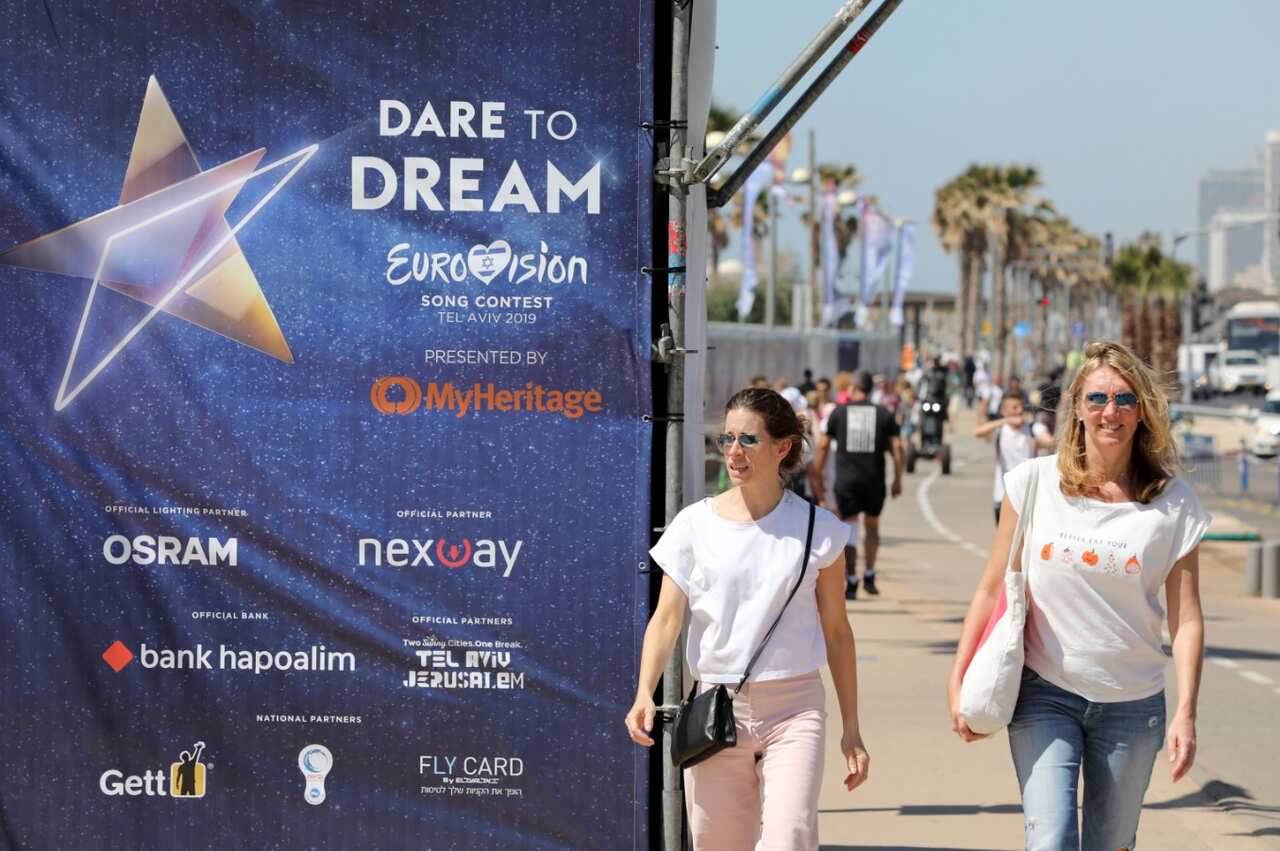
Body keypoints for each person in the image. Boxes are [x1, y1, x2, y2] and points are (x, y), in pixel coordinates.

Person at [948, 341, 1211, 851]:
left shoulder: (1174, 504)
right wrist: (958, 676)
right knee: (1051, 840)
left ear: (1142, 412)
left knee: (1110, 844)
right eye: (1097, 399)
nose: (1109, 412)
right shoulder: (1034, 483)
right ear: (1077, 408)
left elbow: (1187, 619)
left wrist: (1187, 712)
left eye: (1124, 400)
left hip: (1133, 703)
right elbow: (990, 586)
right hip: (1044, 691)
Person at [625, 388, 871, 850]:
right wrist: (644, 690)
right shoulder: (693, 526)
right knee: (719, 843)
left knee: (790, 837)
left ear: (782, 447)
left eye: (749, 440)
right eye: (728, 439)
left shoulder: (820, 531)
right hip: (717, 708)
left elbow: (837, 632)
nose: (734, 452)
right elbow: (666, 619)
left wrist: (851, 729)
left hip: (795, 706)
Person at [816, 371, 904, 600]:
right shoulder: (884, 413)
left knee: (849, 528)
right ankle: (870, 573)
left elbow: (824, 445)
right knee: (872, 526)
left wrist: (818, 471)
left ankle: (852, 579)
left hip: (847, 480)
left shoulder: (840, 412)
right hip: (874, 480)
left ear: (853, 388)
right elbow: (898, 447)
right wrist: (897, 478)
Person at [973, 390, 1054, 526]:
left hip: (1028, 498)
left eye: (1022, 407)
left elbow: (1049, 441)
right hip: (1002, 496)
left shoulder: (1033, 428)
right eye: (1015, 408)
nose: (1020, 411)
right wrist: (1005, 420)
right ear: (1004, 410)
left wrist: (1043, 442)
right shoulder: (1000, 431)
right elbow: (978, 432)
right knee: (1005, 543)